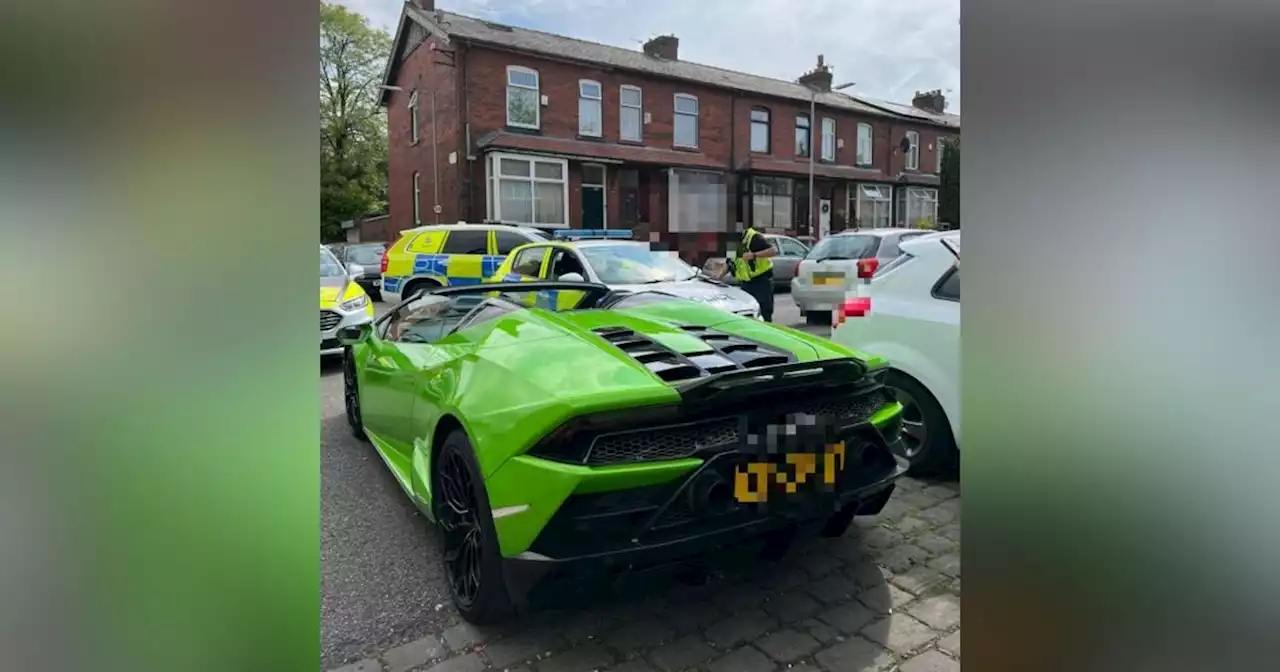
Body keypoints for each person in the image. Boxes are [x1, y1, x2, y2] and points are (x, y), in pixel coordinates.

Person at [731, 225, 778, 322]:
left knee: (764, 313)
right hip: (745, 284)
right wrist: (716, 276)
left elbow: (773, 251)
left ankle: (766, 334)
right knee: (747, 313)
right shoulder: (731, 242)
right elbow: (730, 262)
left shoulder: (753, 237)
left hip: (761, 282)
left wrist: (754, 255)